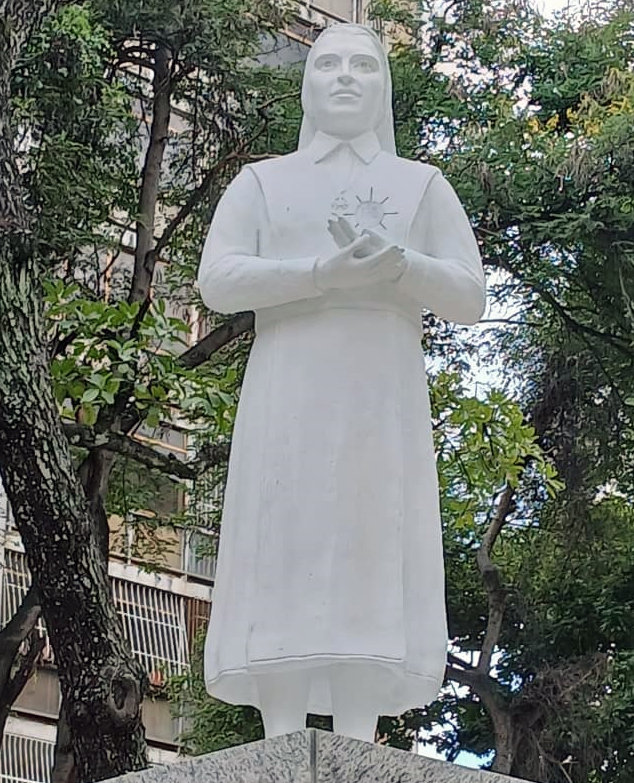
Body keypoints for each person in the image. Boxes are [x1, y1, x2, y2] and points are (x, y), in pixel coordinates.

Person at [197, 22, 485, 743]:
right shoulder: (264, 182)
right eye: (329, 64)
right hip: (289, 382)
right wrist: (319, 274)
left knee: (370, 539)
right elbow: (218, 279)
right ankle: (279, 731)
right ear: (307, 85)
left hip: (379, 393)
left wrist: (402, 265)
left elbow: (469, 294)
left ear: (383, 85)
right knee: (284, 535)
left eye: (363, 64)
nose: (347, 76)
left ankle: (360, 733)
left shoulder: (421, 185)